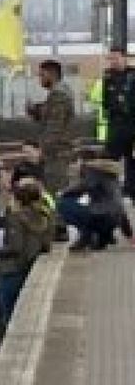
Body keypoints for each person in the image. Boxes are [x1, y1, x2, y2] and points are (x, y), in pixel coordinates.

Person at [0, 181, 52, 324]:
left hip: (12, 269)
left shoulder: (15, 218)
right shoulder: (43, 215)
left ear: (18, 199)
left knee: (9, 314)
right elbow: (46, 243)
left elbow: (15, 247)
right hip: (30, 265)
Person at [58, 156, 134, 250]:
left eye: (72, 166)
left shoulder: (91, 171)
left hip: (101, 216)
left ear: (79, 161)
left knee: (62, 204)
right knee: (97, 246)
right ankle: (106, 236)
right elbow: (119, 206)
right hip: (113, 218)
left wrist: (63, 192)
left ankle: (86, 237)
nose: (72, 170)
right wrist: (129, 235)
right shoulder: (109, 175)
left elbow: (84, 186)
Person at [28, 59, 76, 196]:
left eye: (42, 75)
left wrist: (42, 149)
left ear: (51, 74)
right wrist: (35, 110)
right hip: (58, 151)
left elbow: (55, 126)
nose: (40, 79)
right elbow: (50, 113)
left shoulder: (58, 94)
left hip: (56, 153)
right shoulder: (61, 91)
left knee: (55, 191)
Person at [97, 48, 135, 198]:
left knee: (131, 159)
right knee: (110, 159)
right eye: (110, 59)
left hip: (131, 123)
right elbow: (106, 100)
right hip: (115, 124)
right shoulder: (108, 76)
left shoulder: (132, 75)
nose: (113, 62)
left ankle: (130, 189)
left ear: (124, 58)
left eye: (116, 58)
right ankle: (107, 189)